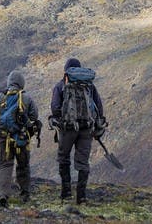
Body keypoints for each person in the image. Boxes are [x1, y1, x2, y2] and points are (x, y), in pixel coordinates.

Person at [48, 57, 107, 204]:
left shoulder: (61, 85)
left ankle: (66, 193)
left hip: (68, 128)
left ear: (66, 71)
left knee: (64, 158)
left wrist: (60, 118)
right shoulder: (89, 86)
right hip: (86, 128)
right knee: (83, 162)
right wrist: (98, 125)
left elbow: (55, 107)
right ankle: (81, 197)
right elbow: (98, 107)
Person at [0, 70, 40, 208]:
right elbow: (34, 116)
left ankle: (3, 196)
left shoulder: (0, 96)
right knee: (23, 165)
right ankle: (24, 194)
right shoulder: (26, 97)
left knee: (5, 166)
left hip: (3, 138)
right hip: (21, 138)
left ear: (9, 82)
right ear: (21, 83)